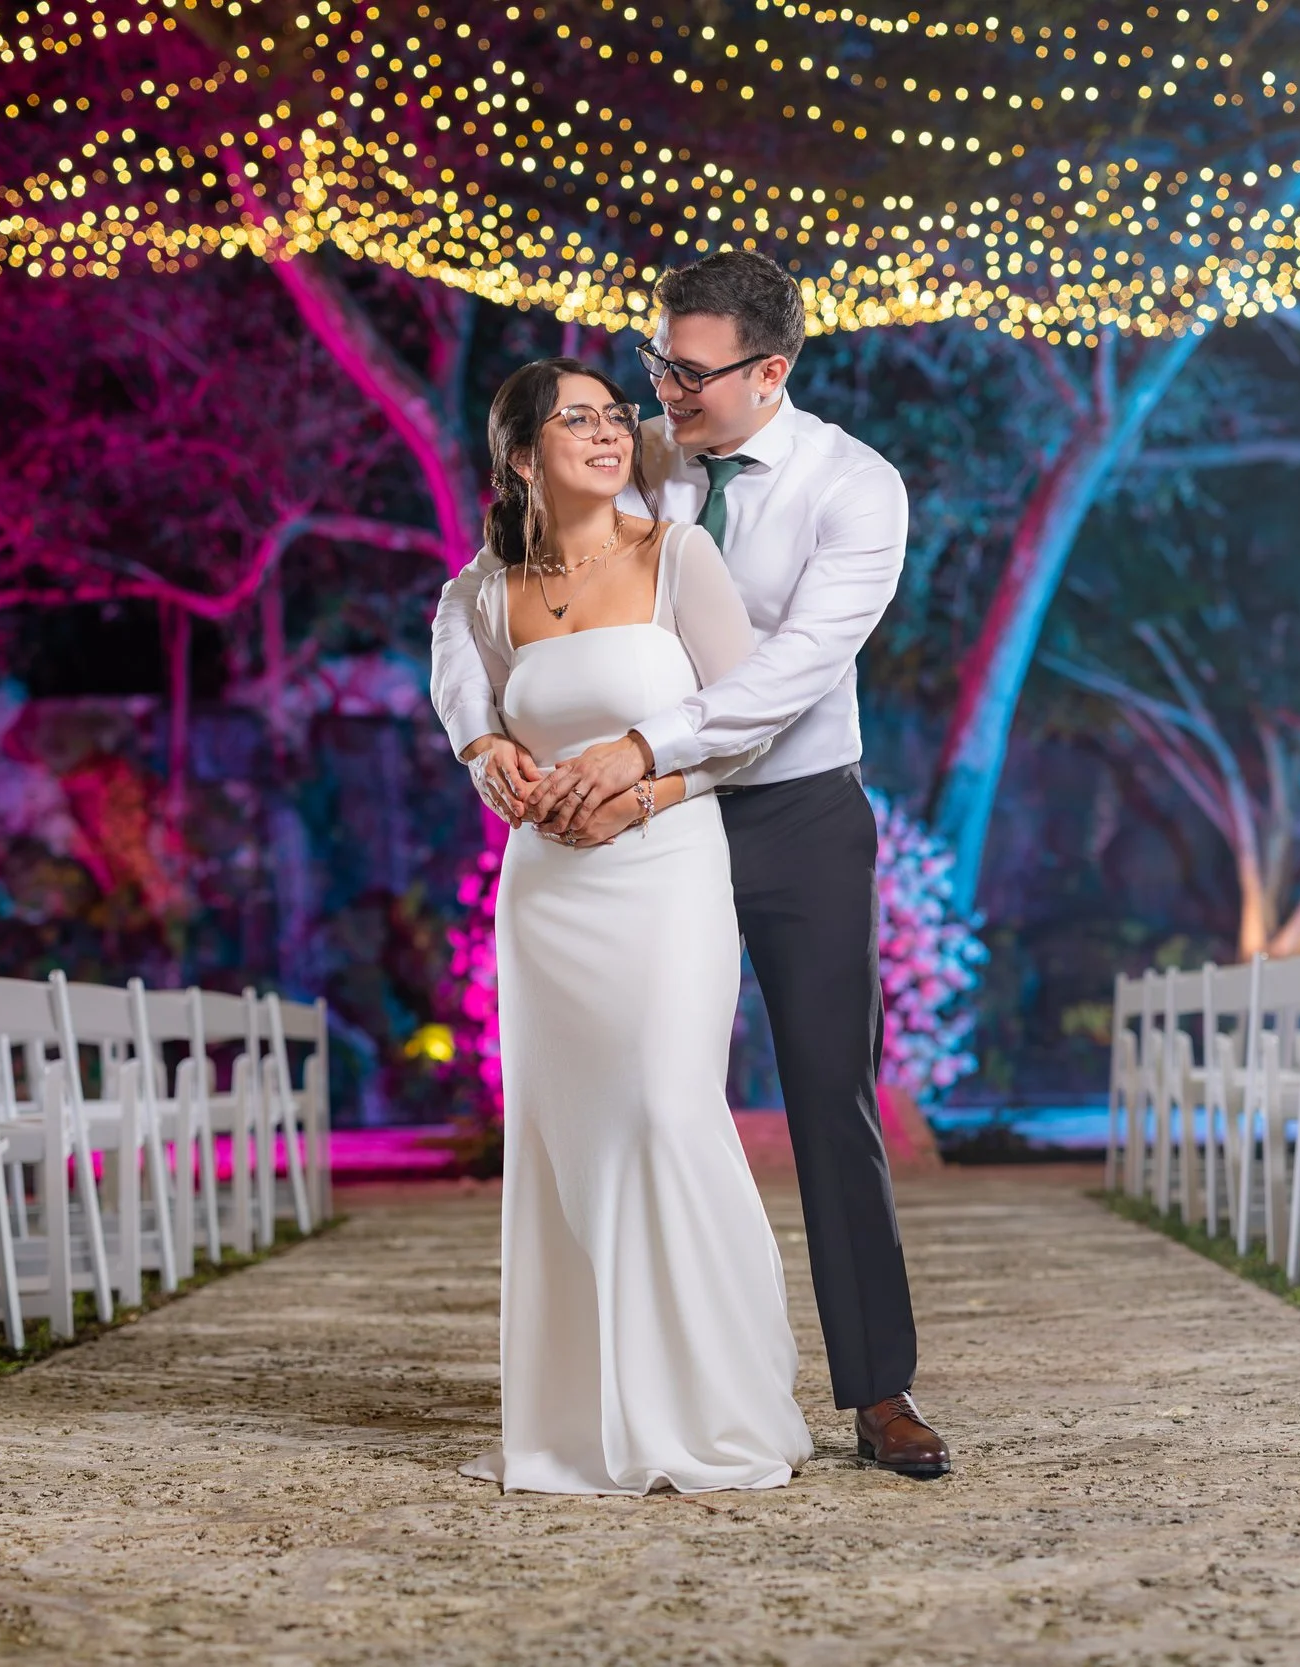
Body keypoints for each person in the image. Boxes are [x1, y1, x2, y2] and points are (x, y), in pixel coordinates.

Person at [432, 251, 949, 1479]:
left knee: (830, 1094)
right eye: (654, 361)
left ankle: (878, 1392)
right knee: (642, 1103)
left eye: (689, 371)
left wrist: (644, 755)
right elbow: (484, 589)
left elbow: (791, 673)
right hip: (643, 839)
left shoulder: (854, 489)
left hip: (794, 813)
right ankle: (636, 1377)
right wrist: (481, 733)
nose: (657, 390)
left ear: (771, 372)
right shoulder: (642, 448)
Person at [448, 357, 814, 1495]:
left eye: (616, 416)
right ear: (520, 456)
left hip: (664, 870)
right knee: (569, 1143)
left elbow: (749, 722)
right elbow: (463, 695)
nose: (611, 433)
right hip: (546, 894)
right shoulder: (482, 590)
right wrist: (488, 756)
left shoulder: (675, 556)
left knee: (664, 1108)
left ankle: (716, 1400)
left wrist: (649, 788)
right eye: (579, 420)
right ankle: (579, 1415)